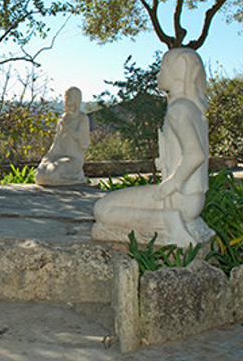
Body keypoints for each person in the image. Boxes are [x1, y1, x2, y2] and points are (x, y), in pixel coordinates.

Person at [92, 48, 214, 246]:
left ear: (178, 74)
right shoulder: (192, 109)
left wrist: (172, 183)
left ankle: (170, 223)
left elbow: (195, 154)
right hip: (193, 201)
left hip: (177, 198)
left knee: (102, 209)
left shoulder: (178, 110)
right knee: (108, 206)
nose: (159, 74)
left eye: (163, 69)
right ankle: (174, 222)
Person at [35, 87, 90, 186]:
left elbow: (80, 138)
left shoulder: (82, 118)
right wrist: (49, 156)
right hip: (58, 156)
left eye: (69, 96)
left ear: (76, 98)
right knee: (39, 174)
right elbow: (57, 141)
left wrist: (67, 126)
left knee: (54, 173)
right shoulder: (62, 118)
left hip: (73, 159)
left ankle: (75, 178)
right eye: (65, 96)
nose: (66, 99)